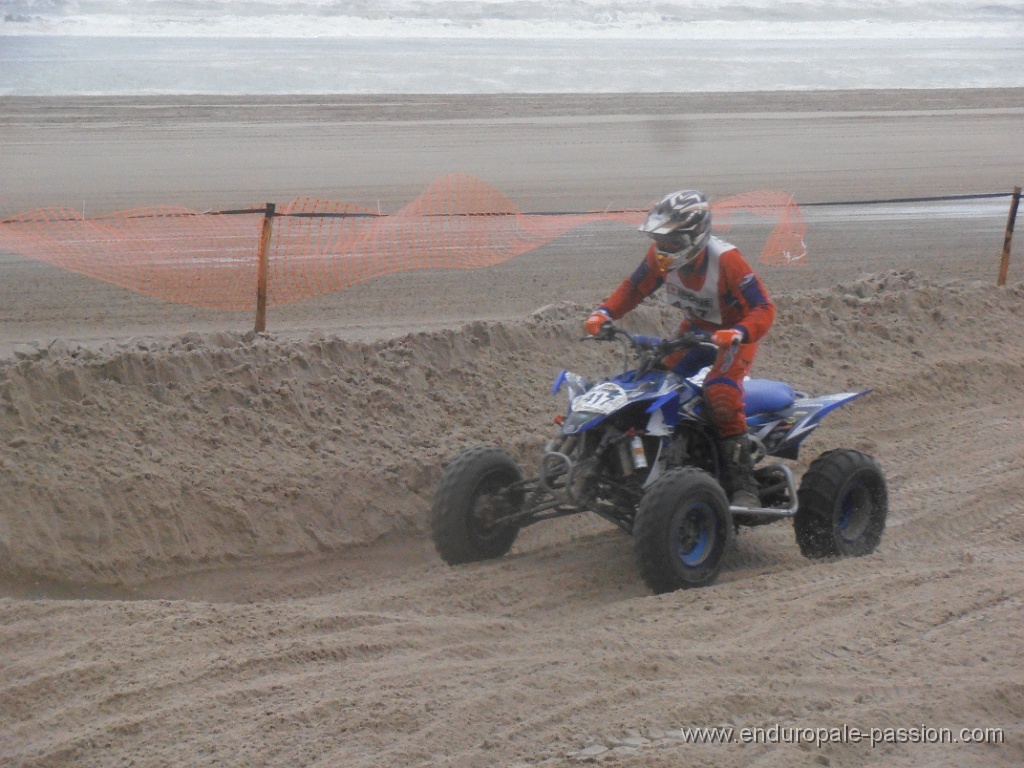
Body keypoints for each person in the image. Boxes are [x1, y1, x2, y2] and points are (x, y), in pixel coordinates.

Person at [584, 190, 776, 508]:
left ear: (694, 235)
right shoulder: (660, 259)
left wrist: (739, 332)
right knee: (652, 379)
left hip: (734, 335)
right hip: (695, 329)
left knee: (720, 392)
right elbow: (633, 288)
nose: (663, 248)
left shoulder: (727, 260)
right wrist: (604, 313)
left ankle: (744, 483)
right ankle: (654, 459)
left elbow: (764, 308)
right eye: (661, 239)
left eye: (671, 240)